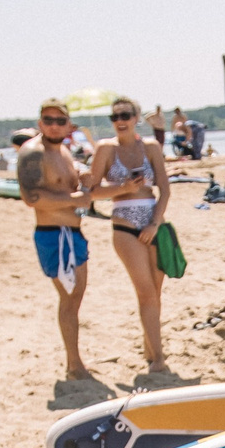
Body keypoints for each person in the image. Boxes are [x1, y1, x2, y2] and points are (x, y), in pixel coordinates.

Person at [87, 97, 174, 376]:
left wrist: (154, 224)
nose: (120, 120)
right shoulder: (105, 149)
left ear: (136, 117)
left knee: (155, 293)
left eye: (125, 114)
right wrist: (121, 187)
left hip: (152, 222)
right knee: (145, 291)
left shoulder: (150, 148)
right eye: (114, 117)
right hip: (124, 224)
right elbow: (92, 192)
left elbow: (165, 190)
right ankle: (159, 359)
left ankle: (150, 349)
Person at [18, 99, 99, 378]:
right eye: (48, 120)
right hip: (54, 235)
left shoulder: (63, 151)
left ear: (69, 125)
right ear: (40, 123)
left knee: (76, 297)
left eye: (59, 120)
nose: (54, 125)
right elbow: (31, 197)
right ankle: (74, 365)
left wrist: (82, 174)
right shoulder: (32, 152)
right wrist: (74, 198)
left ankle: (76, 361)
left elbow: (68, 175)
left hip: (73, 233)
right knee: (68, 299)